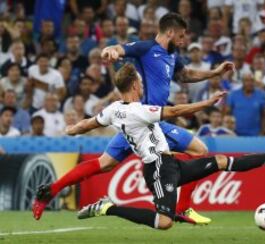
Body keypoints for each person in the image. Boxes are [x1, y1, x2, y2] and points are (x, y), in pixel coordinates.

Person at [32, 13, 235, 224]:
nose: (183, 41)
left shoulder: (173, 55)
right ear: (170, 32)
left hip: (151, 124)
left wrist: (215, 73)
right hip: (142, 118)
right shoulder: (147, 48)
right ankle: (182, 209)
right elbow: (121, 49)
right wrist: (110, 51)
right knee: (199, 150)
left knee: (105, 163)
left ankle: (50, 190)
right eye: (181, 36)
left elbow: (186, 75)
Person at [65, 63, 265, 230]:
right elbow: (174, 111)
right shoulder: (139, 110)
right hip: (157, 169)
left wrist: (72, 129)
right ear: (135, 84)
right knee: (164, 222)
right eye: (140, 82)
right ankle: (108, 207)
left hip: (170, 164)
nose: (142, 85)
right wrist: (207, 102)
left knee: (222, 162)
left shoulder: (113, 109)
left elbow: (89, 123)